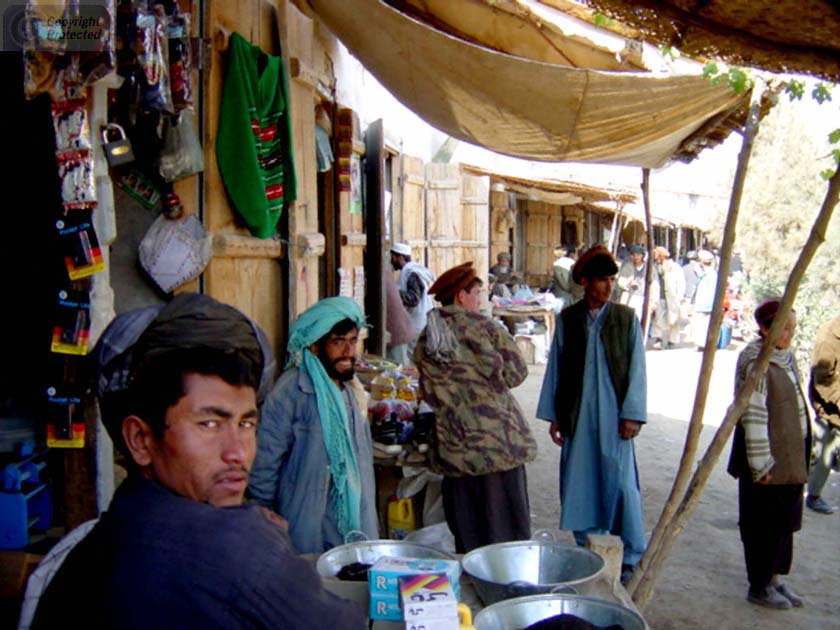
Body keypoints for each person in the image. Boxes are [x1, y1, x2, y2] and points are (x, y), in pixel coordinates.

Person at [29, 293, 365, 629]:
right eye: (209, 424)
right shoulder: (237, 548)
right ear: (140, 440)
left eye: (246, 423)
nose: (238, 452)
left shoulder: (90, 544)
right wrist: (263, 547)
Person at [536, 245, 647, 585]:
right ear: (585, 282)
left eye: (612, 280)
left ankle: (629, 555)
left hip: (615, 415)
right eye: (601, 280)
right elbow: (555, 366)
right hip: (578, 414)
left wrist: (632, 414)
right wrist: (556, 415)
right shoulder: (568, 320)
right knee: (580, 478)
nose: (608, 287)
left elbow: (638, 370)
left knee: (622, 484)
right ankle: (588, 547)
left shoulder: (625, 319)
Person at [413, 261, 537, 553]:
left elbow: (429, 391)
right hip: (499, 444)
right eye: (477, 293)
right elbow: (517, 374)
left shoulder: (427, 336)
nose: (479, 301)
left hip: (455, 447)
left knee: (469, 531)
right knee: (507, 531)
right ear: (461, 296)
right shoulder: (485, 327)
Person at [249, 297, 378, 553]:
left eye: (352, 341)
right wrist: (266, 518)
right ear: (316, 347)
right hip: (306, 522)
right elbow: (264, 461)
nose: (347, 351)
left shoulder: (352, 391)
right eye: (337, 342)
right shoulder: (292, 390)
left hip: (354, 522)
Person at [727, 298, 810, 610]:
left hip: (789, 458)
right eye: (783, 328)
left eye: (792, 328)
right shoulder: (756, 362)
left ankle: (775, 578)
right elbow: (754, 416)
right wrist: (761, 464)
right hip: (765, 460)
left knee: (785, 522)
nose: (789, 334)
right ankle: (759, 584)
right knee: (763, 524)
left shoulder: (785, 357)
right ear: (764, 328)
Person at [806, 313, 840, 514]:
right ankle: (813, 495)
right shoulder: (829, 337)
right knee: (825, 452)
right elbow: (823, 380)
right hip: (829, 407)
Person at [391, 242, 435, 344]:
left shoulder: (412, 273)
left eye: (393, 257)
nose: (392, 261)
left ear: (400, 257)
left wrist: (393, 292)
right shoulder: (409, 271)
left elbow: (413, 299)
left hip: (417, 326)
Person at [650, 246, 686, 349]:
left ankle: (672, 340)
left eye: (657, 255)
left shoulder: (675, 267)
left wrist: (679, 296)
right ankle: (658, 338)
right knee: (658, 317)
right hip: (659, 296)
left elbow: (681, 283)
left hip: (672, 297)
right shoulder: (655, 267)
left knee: (674, 319)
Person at [616, 244, 656, 325]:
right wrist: (628, 283)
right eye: (633, 255)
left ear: (642, 256)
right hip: (628, 297)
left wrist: (654, 301)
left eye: (638, 255)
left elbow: (655, 285)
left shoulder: (649, 268)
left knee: (642, 322)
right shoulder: (627, 267)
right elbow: (620, 281)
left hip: (644, 298)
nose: (636, 257)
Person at [384, 268, 413, 365]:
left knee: (397, 371)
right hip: (400, 328)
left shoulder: (379, 273)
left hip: (396, 331)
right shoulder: (386, 271)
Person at [692, 249, 718, 349]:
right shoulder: (713, 274)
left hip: (704, 303)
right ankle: (704, 343)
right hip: (708, 303)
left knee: (701, 325)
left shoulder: (707, 274)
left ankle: (701, 344)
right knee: (705, 325)